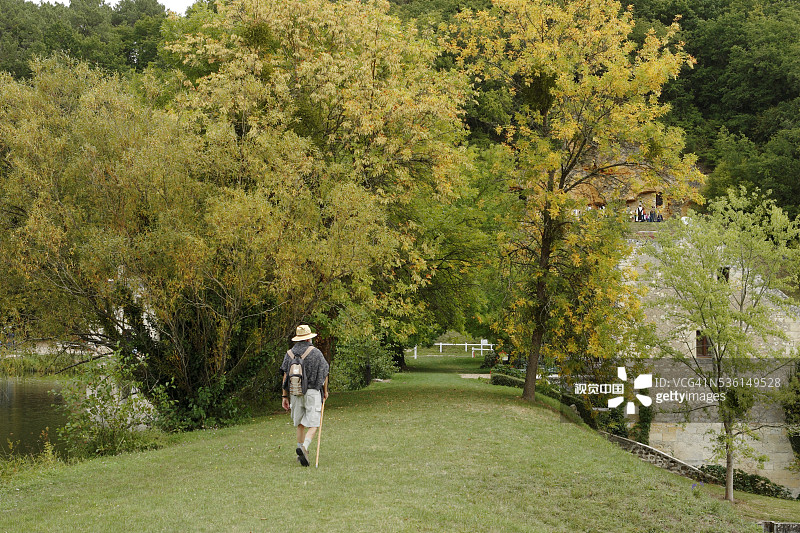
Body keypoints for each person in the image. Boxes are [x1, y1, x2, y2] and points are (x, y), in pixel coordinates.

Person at [280, 324, 329, 467]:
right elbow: (325, 373)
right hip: (312, 392)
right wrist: (325, 391)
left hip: (295, 393)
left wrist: (284, 396)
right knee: (314, 423)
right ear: (309, 339)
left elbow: (285, 377)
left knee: (300, 424)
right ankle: (304, 447)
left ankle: (300, 447)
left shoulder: (289, 354)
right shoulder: (316, 353)